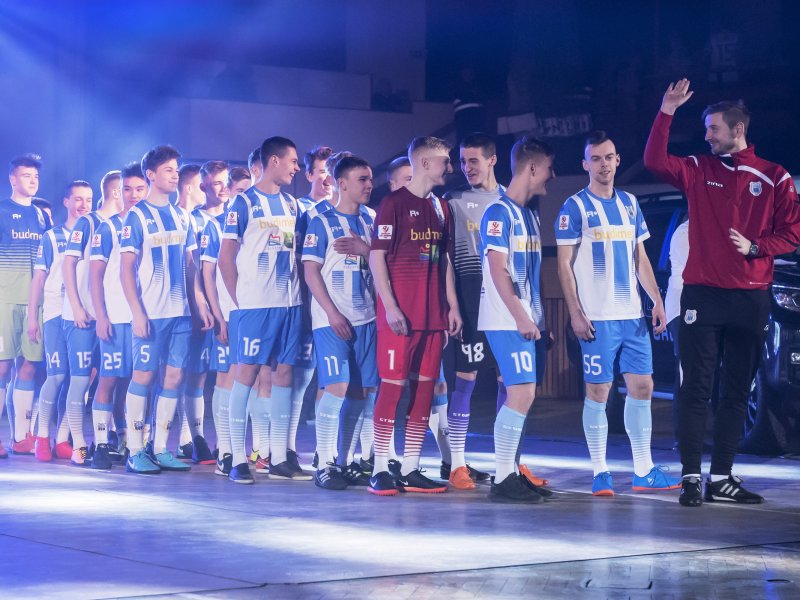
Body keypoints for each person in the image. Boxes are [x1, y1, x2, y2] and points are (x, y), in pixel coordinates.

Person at [644, 79, 800, 506]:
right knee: (696, 388)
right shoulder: (699, 168)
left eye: (714, 128)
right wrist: (666, 111)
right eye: (706, 129)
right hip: (703, 295)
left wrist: (757, 247)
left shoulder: (774, 176)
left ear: (738, 129)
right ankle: (691, 477)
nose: (707, 136)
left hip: (751, 297)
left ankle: (722, 478)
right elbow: (654, 160)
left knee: (736, 391)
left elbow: (793, 232)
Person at [557, 131, 681, 497]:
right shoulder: (574, 207)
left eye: (608, 157)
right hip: (596, 317)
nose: (603, 164)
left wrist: (656, 300)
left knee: (643, 387)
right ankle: (600, 472)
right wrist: (575, 313)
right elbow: (563, 265)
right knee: (599, 391)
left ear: (617, 160)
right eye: (596, 159)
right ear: (585, 164)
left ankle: (643, 470)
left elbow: (640, 257)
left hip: (632, 317)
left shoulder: (629, 203)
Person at [368, 136, 462, 496]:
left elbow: (444, 260)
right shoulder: (392, 204)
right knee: (392, 388)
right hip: (399, 318)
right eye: (444, 160)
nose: (449, 167)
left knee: (425, 392)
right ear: (424, 163)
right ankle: (380, 467)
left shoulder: (442, 208)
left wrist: (452, 305)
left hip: (433, 317)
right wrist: (390, 306)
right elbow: (377, 256)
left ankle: (410, 467)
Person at [120, 145, 213, 474]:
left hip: (181, 314)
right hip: (151, 313)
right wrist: (137, 312)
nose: (175, 175)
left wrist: (199, 301)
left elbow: (191, 265)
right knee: (144, 376)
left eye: (176, 170)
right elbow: (125, 270)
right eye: (168, 170)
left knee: (174, 377)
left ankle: (160, 448)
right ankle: (134, 450)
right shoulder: (136, 216)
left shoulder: (182, 216)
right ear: (151, 175)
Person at [219, 136, 307, 484]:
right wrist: (241, 301)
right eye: (293, 161)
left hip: (290, 304)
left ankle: (279, 457)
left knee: (284, 374)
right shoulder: (243, 203)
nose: (296, 168)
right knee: (246, 375)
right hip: (255, 307)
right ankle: (237, 458)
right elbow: (226, 258)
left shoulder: (292, 205)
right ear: (274, 161)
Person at [479, 136, 555, 503]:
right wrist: (522, 317)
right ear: (533, 168)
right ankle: (503, 477)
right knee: (522, 394)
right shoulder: (498, 213)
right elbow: (498, 270)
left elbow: (532, 276)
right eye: (549, 168)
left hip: (526, 319)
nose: (552, 175)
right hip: (506, 319)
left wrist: (541, 321)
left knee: (523, 394)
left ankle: (511, 471)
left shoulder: (529, 215)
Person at [302, 155, 377, 490]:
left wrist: (367, 249)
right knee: (336, 388)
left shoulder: (371, 220)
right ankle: (325, 463)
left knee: (361, 393)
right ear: (342, 183)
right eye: (362, 179)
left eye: (370, 179)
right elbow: (310, 271)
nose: (369, 185)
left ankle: (345, 462)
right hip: (332, 321)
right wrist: (332, 313)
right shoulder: (321, 221)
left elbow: (382, 265)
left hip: (367, 319)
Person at [88, 164, 147, 468]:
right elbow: (94, 277)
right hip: (115, 317)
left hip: (145, 318)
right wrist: (101, 316)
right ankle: (100, 443)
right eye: (127, 189)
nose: (133, 195)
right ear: (118, 192)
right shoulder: (108, 228)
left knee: (138, 383)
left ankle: (132, 442)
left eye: (139, 189)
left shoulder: (153, 224)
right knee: (109, 379)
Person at [27, 183, 91, 460]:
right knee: (57, 375)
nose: (84, 205)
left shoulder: (95, 233)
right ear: (66, 202)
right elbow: (39, 278)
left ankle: (63, 438)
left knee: (81, 378)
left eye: (88, 200)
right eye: (78, 199)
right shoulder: (52, 237)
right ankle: (42, 437)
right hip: (55, 312)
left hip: (82, 314)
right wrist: (33, 317)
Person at [62, 173, 121, 465]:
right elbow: (68, 264)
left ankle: (106, 440)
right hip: (82, 316)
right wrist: (76, 306)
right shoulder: (88, 222)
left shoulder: (125, 224)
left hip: (111, 316)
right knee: (81, 379)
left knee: (110, 378)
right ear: (115, 191)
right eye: (127, 189)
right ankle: (79, 444)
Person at [175, 160, 230, 465]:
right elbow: (193, 268)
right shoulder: (192, 220)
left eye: (225, 182)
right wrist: (200, 303)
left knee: (226, 375)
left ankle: (226, 442)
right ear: (203, 186)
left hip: (229, 308)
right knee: (194, 375)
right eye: (216, 183)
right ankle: (192, 438)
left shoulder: (234, 217)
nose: (223, 189)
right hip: (200, 310)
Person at [199, 168, 250, 477]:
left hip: (251, 313)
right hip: (227, 315)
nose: (245, 196)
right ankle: (225, 450)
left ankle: (246, 449)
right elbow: (206, 273)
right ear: (229, 192)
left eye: (249, 190)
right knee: (225, 380)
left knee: (246, 380)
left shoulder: (255, 224)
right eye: (240, 190)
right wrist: (218, 315)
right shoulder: (215, 226)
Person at [0, 154, 51, 457]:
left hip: (36, 303)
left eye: (35, 177)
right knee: (2, 366)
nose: (32, 181)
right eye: (26, 176)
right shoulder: (2, 211)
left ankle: (21, 437)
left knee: (30, 365)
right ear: (12, 179)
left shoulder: (42, 217)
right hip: (5, 300)